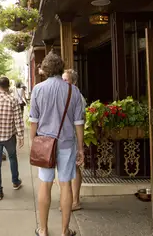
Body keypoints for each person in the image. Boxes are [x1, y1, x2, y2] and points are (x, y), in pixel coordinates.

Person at [29, 52, 84, 236]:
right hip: (67, 144)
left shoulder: (38, 89)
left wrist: (33, 143)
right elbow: (79, 123)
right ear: (61, 69)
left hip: (45, 144)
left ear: (45, 69)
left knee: (45, 184)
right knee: (65, 184)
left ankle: (43, 230)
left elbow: (33, 121)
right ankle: (64, 231)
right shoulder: (73, 90)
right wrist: (81, 148)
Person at [0, 77, 24, 201]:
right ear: (8, 86)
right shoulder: (12, 100)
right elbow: (18, 120)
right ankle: (15, 182)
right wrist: (21, 136)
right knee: (12, 158)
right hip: (9, 136)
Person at [62, 69, 86, 211]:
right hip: (66, 137)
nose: (63, 82)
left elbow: (80, 121)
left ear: (74, 82)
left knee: (75, 168)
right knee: (68, 169)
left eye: (66, 80)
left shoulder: (78, 97)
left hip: (74, 137)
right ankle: (69, 200)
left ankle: (75, 201)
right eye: (62, 79)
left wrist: (80, 145)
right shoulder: (66, 95)